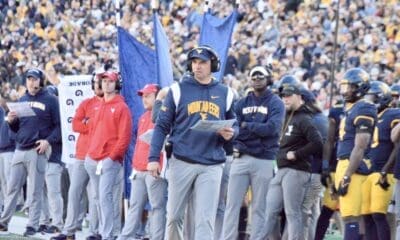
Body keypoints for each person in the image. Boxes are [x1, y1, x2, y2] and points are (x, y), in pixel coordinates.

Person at [148, 45, 238, 240]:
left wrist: (231, 133)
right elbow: (161, 126)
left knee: (205, 220)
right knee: (173, 218)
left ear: (213, 65)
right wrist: (153, 157)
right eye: (194, 62)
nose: (197, 66)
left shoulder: (227, 93)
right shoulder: (178, 90)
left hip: (212, 163)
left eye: (203, 62)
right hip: (181, 161)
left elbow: (236, 125)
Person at [222, 66, 285, 240]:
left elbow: (273, 129)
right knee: (232, 205)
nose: (257, 79)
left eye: (261, 77)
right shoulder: (241, 103)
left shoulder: (276, 102)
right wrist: (253, 130)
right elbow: (234, 129)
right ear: (249, 79)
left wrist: (247, 126)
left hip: (264, 159)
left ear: (268, 79)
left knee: (260, 207)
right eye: (253, 76)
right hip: (241, 158)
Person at [0, 68, 61, 236]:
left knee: (35, 190)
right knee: (12, 188)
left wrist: (48, 141)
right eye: (29, 79)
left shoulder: (51, 100)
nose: (32, 82)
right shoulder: (21, 99)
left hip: (37, 150)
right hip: (20, 149)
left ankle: (32, 225)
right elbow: (16, 129)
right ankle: (4, 222)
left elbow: (59, 126)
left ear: (41, 81)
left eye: (35, 79)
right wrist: (11, 122)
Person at [263, 75, 323, 240]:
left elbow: (318, 143)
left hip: (297, 171)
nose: (285, 99)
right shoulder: (287, 116)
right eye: (283, 96)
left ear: (299, 97)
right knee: (270, 210)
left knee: (292, 212)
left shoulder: (304, 118)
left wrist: (297, 154)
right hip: (281, 169)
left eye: (289, 95)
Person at [51, 70, 104, 240]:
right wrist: (90, 125)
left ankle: (94, 232)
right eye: (96, 83)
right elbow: (75, 124)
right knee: (74, 192)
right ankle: (69, 231)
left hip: (98, 157)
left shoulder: (110, 104)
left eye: (101, 82)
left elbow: (103, 129)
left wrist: (88, 123)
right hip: (81, 155)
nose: (98, 86)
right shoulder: (86, 103)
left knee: (95, 195)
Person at [84, 70, 132, 240]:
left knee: (105, 197)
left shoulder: (122, 107)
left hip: (109, 160)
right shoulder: (97, 106)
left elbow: (124, 137)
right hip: (93, 158)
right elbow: (92, 131)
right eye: (103, 81)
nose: (106, 84)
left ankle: (108, 234)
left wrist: (111, 158)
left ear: (116, 84)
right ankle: (104, 231)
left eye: (110, 81)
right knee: (98, 197)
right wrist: (89, 154)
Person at [118, 83, 167, 240]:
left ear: (158, 97)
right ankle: (125, 237)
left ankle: (156, 237)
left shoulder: (164, 115)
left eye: (148, 96)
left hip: (154, 168)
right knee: (135, 206)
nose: (144, 99)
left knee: (157, 207)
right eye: (143, 96)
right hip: (139, 168)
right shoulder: (143, 117)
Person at [334, 68, 377, 240]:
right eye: (344, 87)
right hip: (344, 163)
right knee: (348, 214)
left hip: (352, 165)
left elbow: (360, 146)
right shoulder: (352, 108)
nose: (345, 91)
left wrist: (347, 175)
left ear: (359, 87)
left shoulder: (364, 108)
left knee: (351, 215)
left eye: (349, 87)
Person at [361, 81, 399, 240]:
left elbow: (398, 145)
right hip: (370, 171)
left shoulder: (393, 114)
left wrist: (386, 169)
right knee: (367, 216)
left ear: (382, 97)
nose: (369, 100)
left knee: (378, 215)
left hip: (385, 172)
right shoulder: (372, 116)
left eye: (372, 97)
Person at [315, 99, 344, 240]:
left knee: (352, 213)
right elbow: (330, 140)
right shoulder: (338, 111)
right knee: (328, 208)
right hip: (335, 167)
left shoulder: (365, 110)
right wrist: (325, 165)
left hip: (357, 169)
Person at [0, 101, 15, 215]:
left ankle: (10, 204)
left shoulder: (10, 114)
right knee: (3, 180)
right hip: (1, 151)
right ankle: (5, 204)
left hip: (9, 150)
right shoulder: (3, 114)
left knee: (9, 179)